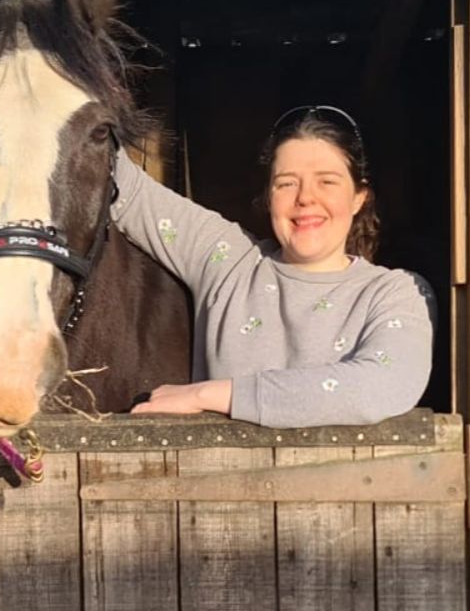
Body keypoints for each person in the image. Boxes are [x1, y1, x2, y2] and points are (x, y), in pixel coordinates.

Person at [112, 104, 434, 428]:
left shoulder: (397, 293)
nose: (306, 197)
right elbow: (125, 190)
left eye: (327, 182)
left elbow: (381, 386)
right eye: (287, 183)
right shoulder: (228, 262)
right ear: (269, 196)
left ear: (358, 197)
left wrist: (205, 395)